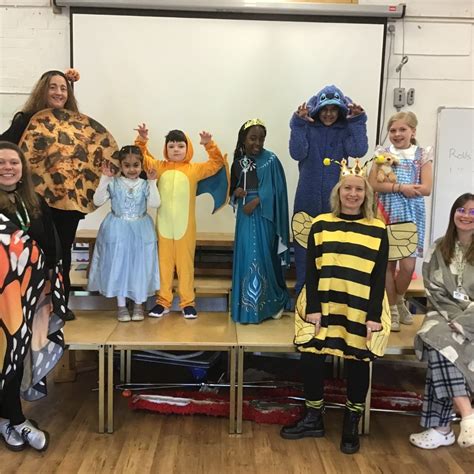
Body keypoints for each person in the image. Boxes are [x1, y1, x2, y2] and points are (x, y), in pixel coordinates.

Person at [280, 161, 389, 455]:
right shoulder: (320, 224)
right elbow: (311, 271)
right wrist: (313, 308)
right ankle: (314, 416)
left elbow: (379, 276)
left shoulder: (377, 229)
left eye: (358, 189)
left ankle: (351, 421)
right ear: (338, 192)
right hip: (325, 304)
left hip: (359, 307)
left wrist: (373, 316)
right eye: (347, 188)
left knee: (358, 359)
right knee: (311, 355)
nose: (352, 194)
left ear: (366, 194)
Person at [0, 69, 109, 321]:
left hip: (68, 203)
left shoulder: (75, 123)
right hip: (35, 201)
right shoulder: (26, 119)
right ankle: (29, 303)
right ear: (43, 90)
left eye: (63, 88)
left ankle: (60, 303)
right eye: (53, 87)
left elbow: (91, 156)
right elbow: (6, 146)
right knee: (33, 250)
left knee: (62, 252)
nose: (59, 92)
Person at [0, 141, 65, 452]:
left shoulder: (34, 200)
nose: (8, 167)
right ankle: (13, 419)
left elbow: (50, 245)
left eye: (14, 162)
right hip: (3, 295)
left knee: (18, 353)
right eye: (1, 162)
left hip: (30, 294)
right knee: (4, 353)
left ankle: (9, 418)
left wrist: (52, 285)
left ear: (23, 168)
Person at [135, 124, 227, 319]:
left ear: (188, 148)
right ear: (166, 148)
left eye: (180, 146)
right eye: (171, 146)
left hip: (186, 229)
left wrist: (209, 144)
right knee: (164, 266)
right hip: (164, 228)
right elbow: (140, 158)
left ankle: (188, 303)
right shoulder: (159, 167)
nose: (175, 150)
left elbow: (217, 162)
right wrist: (142, 140)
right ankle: (163, 302)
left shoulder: (195, 170)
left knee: (185, 266)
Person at [289, 85, 368, 294]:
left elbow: (359, 150)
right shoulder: (308, 128)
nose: (329, 114)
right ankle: (303, 293)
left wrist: (357, 122)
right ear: (317, 110)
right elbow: (297, 153)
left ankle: (331, 293)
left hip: (336, 201)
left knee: (334, 248)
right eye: (324, 109)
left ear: (340, 111)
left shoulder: (345, 129)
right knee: (304, 245)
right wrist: (298, 124)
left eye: (333, 109)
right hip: (307, 197)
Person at [409, 193, 474, 450]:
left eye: (472, 211)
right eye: (461, 210)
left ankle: (442, 428)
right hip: (443, 312)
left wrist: (464, 321)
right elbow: (433, 289)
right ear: (453, 213)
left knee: (442, 347)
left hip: (472, 316)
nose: (466, 215)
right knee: (437, 337)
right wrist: (453, 317)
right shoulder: (438, 247)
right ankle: (467, 415)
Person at [369, 111, 433, 331]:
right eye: (393, 130)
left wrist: (402, 188)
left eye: (402, 129)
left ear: (412, 131)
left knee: (407, 266)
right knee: (388, 264)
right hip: (386, 213)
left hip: (412, 215)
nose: (397, 134)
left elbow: (426, 188)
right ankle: (392, 308)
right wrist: (400, 187)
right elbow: (373, 184)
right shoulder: (383, 153)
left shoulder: (422, 154)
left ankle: (399, 299)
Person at [87, 146, 161, 321]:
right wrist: (105, 178)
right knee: (118, 264)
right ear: (120, 165)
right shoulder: (114, 183)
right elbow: (97, 200)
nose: (132, 169)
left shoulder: (144, 184)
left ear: (141, 165)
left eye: (136, 165)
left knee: (139, 265)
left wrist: (152, 182)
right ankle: (121, 305)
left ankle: (138, 304)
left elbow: (155, 203)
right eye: (127, 165)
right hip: (117, 228)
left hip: (141, 228)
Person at [229, 118, 290, 323]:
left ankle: (273, 303)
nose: (257, 143)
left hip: (265, 215)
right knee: (247, 256)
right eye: (252, 138)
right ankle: (246, 307)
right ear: (243, 139)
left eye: (261, 139)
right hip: (245, 218)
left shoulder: (271, 160)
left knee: (265, 257)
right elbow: (232, 191)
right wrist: (237, 193)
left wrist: (255, 201)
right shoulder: (238, 163)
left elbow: (278, 191)